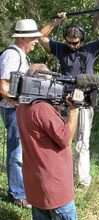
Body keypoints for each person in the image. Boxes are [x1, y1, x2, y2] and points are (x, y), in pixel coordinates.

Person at [39, 4, 99, 187]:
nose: (72, 45)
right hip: (62, 101)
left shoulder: (90, 49)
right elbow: (40, 37)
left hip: (83, 101)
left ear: (81, 40)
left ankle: (82, 180)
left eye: (75, 42)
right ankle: (62, 175)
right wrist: (55, 21)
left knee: (82, 141)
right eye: (69, 41)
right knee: (61, 139)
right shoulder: (61, 49)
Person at [0, 18, 43, 208]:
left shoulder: (21, 55)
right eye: (34, 38)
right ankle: (17, 193)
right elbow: (2, 86)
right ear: (25, 38)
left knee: (22, 150)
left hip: (19, 109)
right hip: (13, 110)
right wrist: (19, 103)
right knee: (16, 151)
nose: (36, 41)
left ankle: (23, 188)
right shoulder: (12, 55)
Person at [16, 96, 79, 220]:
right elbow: (66, 138)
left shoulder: (21, 106)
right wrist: (74, 110)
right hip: (55, 187)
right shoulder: (42, 109)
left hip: (35, 184)